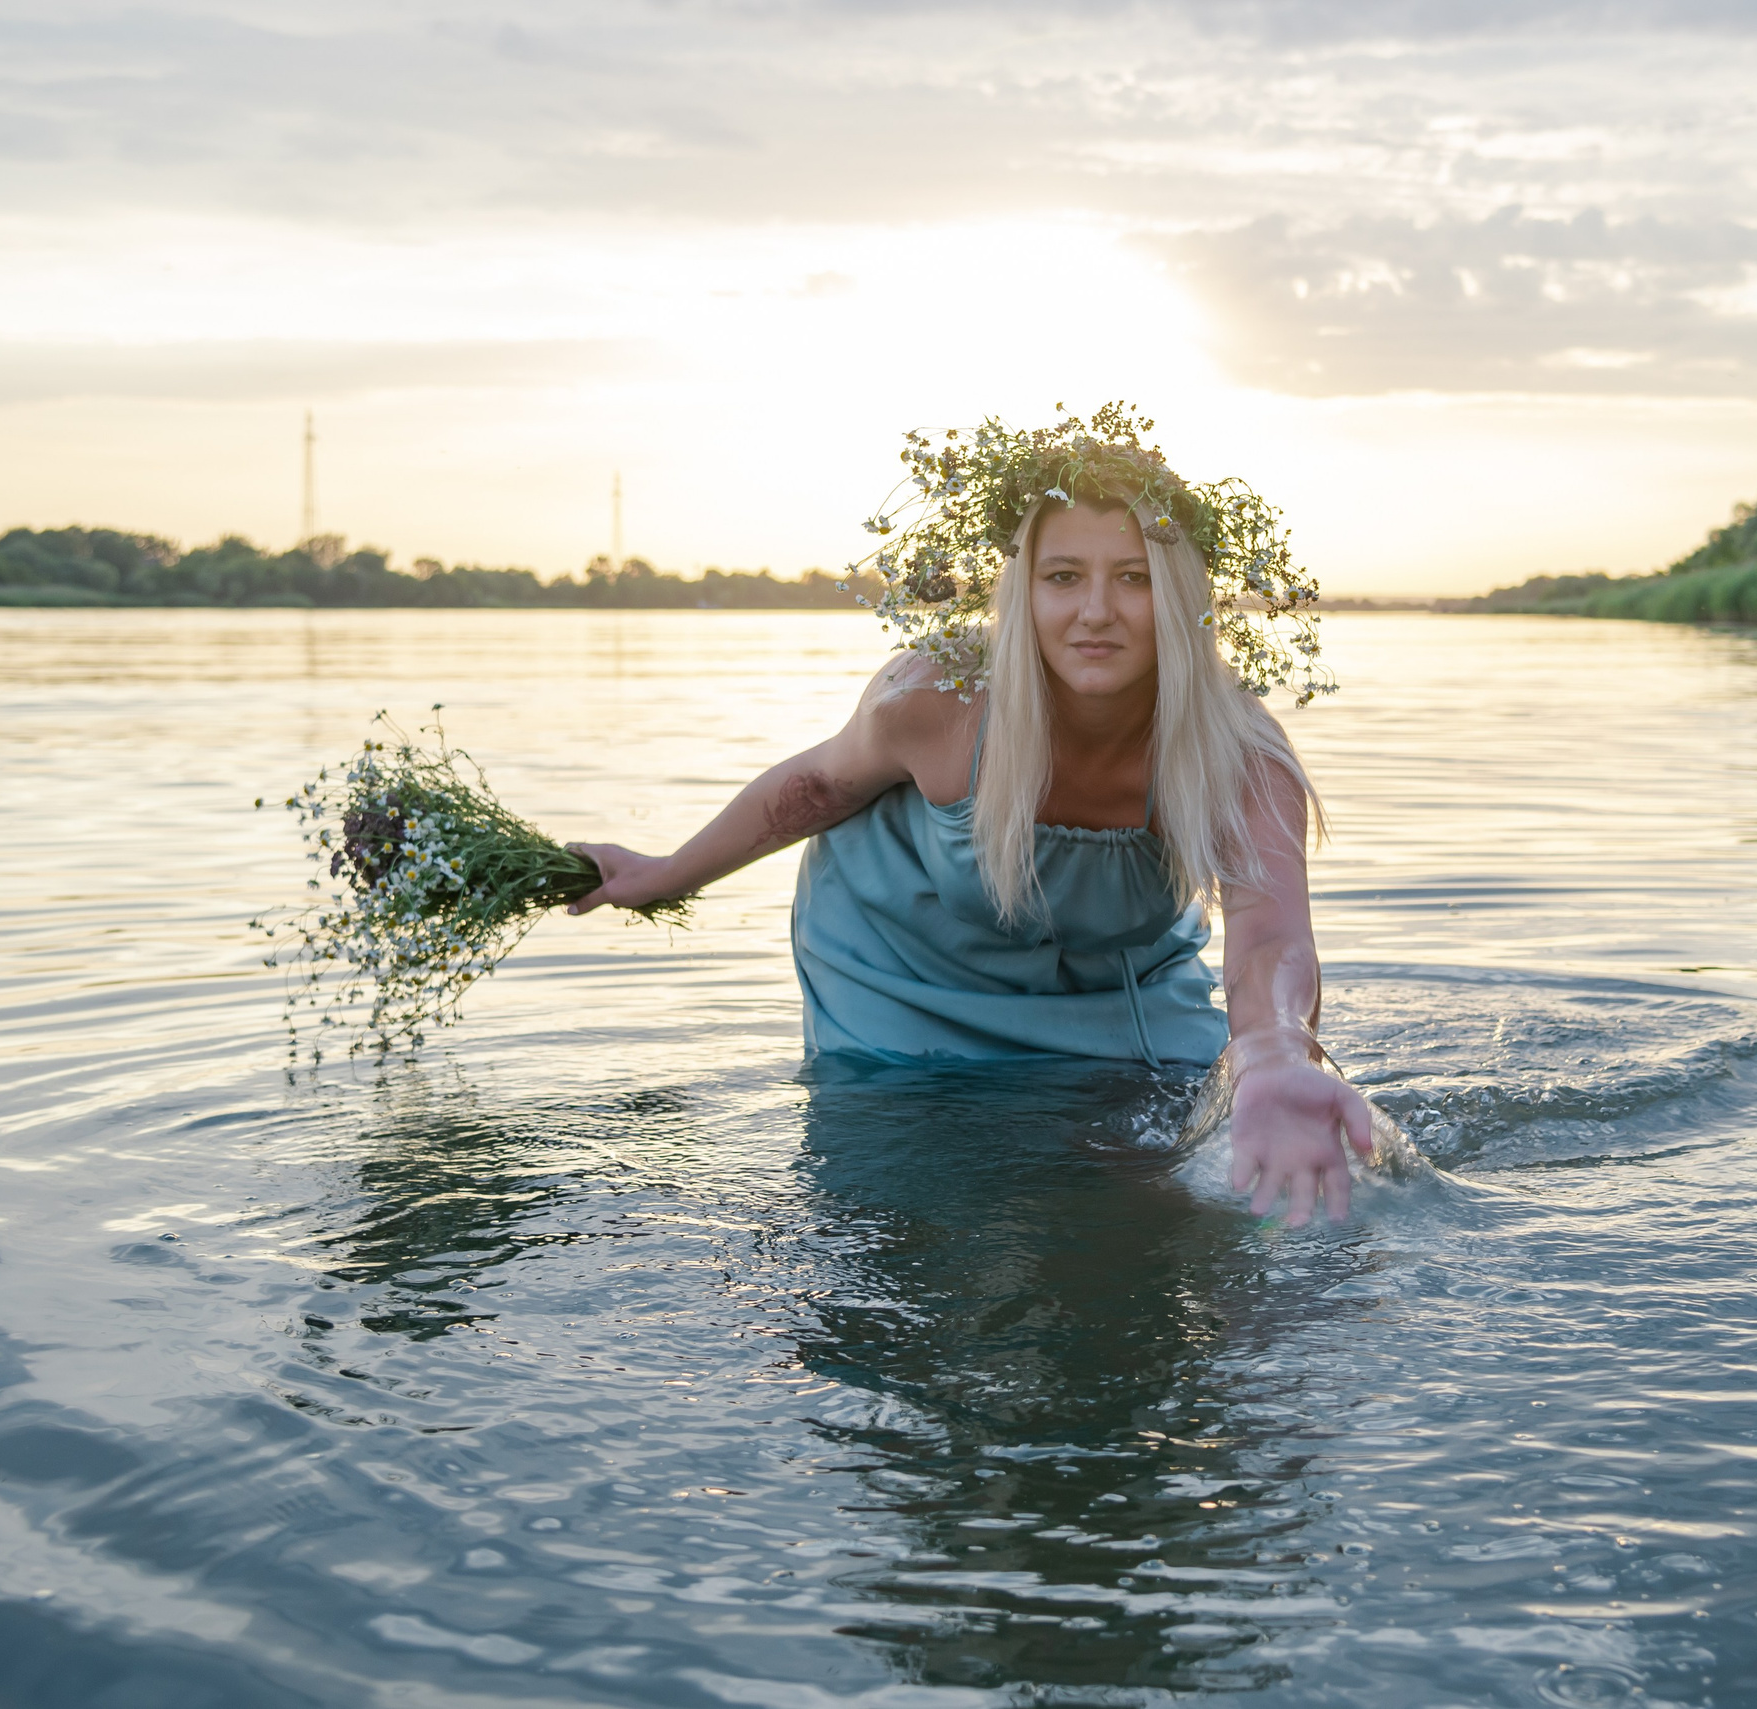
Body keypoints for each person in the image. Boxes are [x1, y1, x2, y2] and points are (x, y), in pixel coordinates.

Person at [564, 406, 1374, 1224]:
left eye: (1134, 577)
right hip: (904, 966)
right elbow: (812, 788)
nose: (1096, 610)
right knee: (928, 1195)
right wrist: (662, 876)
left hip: (1107, 975)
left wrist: (1270, 1052)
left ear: (1182, 595)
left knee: (1150, 1178)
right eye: (1064, 577)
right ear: (1021, 590)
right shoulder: (940, 700)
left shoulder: (1241, 756)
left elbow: (1270, 937)